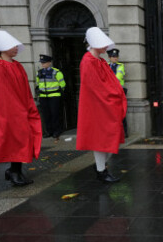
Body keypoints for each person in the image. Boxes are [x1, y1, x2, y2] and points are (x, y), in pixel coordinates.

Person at [0, 30, 41, 186]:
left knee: (21, 139)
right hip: (8, 111)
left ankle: (15, 170)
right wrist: (16, 109)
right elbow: (1, 93)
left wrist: (27, 106)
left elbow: (24, 90)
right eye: (12, 45)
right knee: (15, 140)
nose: (16, 48)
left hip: (19, 108)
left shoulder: (16, 65)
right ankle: (14, 171)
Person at [77, 27, 127, 183]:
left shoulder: (98, 60)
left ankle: (101, 168)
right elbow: (96, 87)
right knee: (101, 139)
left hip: (103, 105)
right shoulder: (89, 61)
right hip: (99, 106)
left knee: (106, 138)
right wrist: (114, 97)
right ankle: (101, 171)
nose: (107, 47)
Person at [36, 54, 65, 140]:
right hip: (43, 96)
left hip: (54, 96)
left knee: (55, 114)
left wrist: (58, 92)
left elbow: (62, 84)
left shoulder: (56, 72)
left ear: (49, 63)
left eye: (44, 63)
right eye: (42, 63)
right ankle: (49, 131)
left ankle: (57, 131)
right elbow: (38, 83)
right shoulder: (39, 72)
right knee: (46, 115)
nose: (42, 64)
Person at [107, 48, 128, 137]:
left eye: (116, 57)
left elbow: (118, 77)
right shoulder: (106, 65)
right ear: (109, 57)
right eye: (113, 57)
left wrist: (109, 81)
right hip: (109, 92)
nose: (115, 58)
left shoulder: (120, 66)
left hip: (118, 92)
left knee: (121, 112)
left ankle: (124, 132)